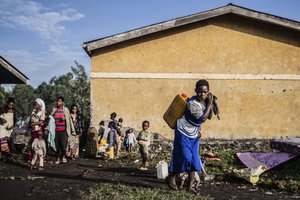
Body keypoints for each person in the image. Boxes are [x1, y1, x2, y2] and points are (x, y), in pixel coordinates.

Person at [168, 79, 213, 195]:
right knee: (185, 157)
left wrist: (211, 104)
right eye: (199, 92)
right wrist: (209, 104)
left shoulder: (205, 101)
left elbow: (210, 116)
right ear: (195, 91)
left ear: (208, 92)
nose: (202, 94)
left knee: (194, 161)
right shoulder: (192, 103)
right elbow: (202, 118)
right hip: (183, 131)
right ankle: (171, 176)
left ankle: (189, 187)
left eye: (205, 92)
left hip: (194, 134)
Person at [51, 96, 75, 165]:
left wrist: (64, 119)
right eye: (58, 101)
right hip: (55, 131)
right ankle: (57, 158)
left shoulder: (66, 110)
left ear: (63, 102)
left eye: (60, 101)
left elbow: (69, 120)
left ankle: (64, 157)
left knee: (63, 144)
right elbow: (51, 118)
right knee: (56, 145)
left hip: (63, 130)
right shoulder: (54, 109)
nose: (58, 102)